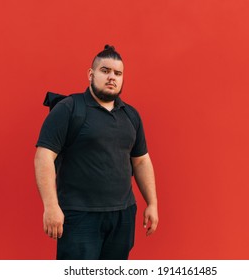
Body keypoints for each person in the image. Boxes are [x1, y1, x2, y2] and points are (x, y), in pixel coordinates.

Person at [34, 45, 158, 260]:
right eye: (105, 71)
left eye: (117, 73)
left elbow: (141, 162)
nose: (112, 77)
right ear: (91, 74)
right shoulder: (69, 108)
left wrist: (152, 203)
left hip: (123, 215)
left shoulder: (131, 115)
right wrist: (51, 207)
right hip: (79, 216)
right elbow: (43, 157)